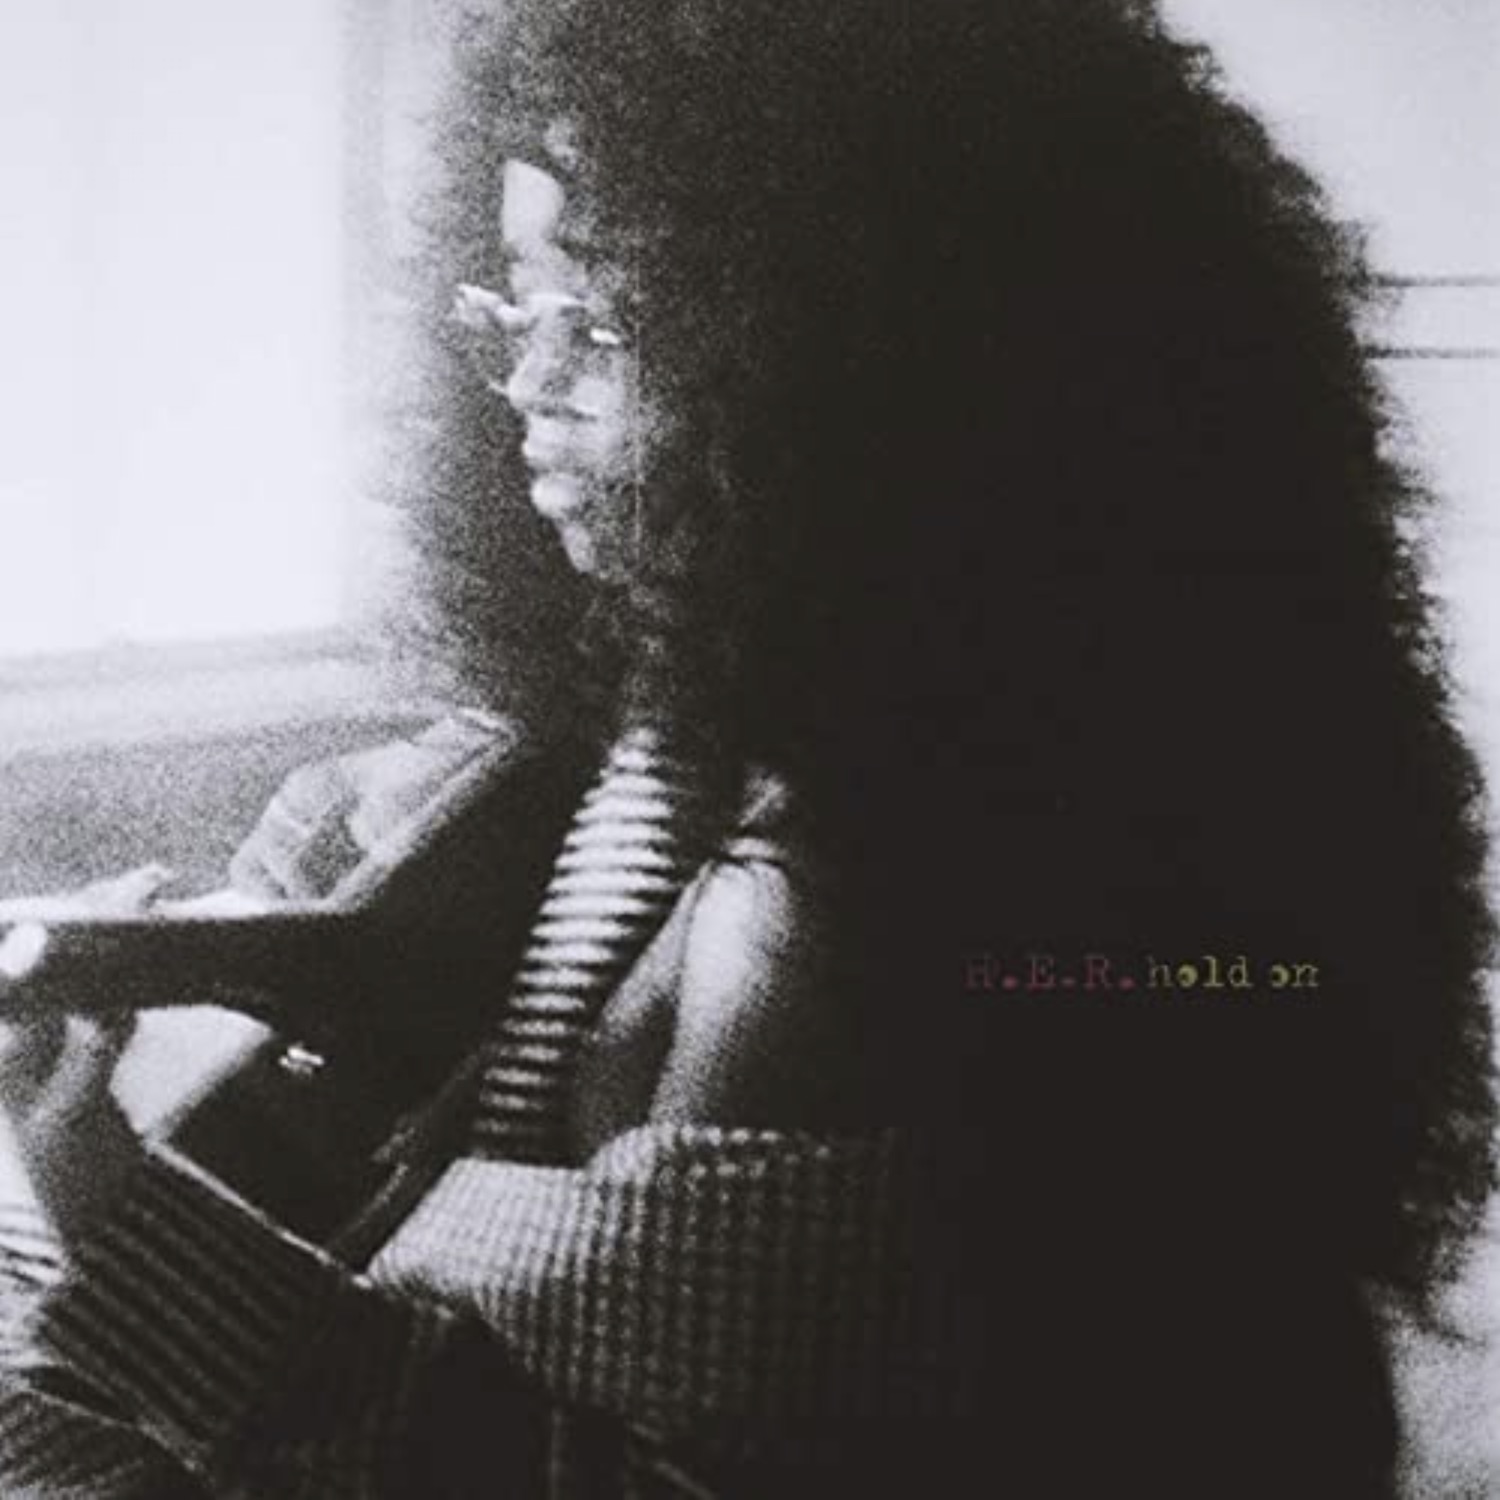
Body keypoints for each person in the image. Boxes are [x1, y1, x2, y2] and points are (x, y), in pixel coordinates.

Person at [0, 1, 1494, 1494]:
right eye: (518, 302)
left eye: (605, 319)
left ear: (862, 366)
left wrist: (96, 1181)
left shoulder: (846, 906)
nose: (527, 379)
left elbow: (543, 1474)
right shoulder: (781, 735)